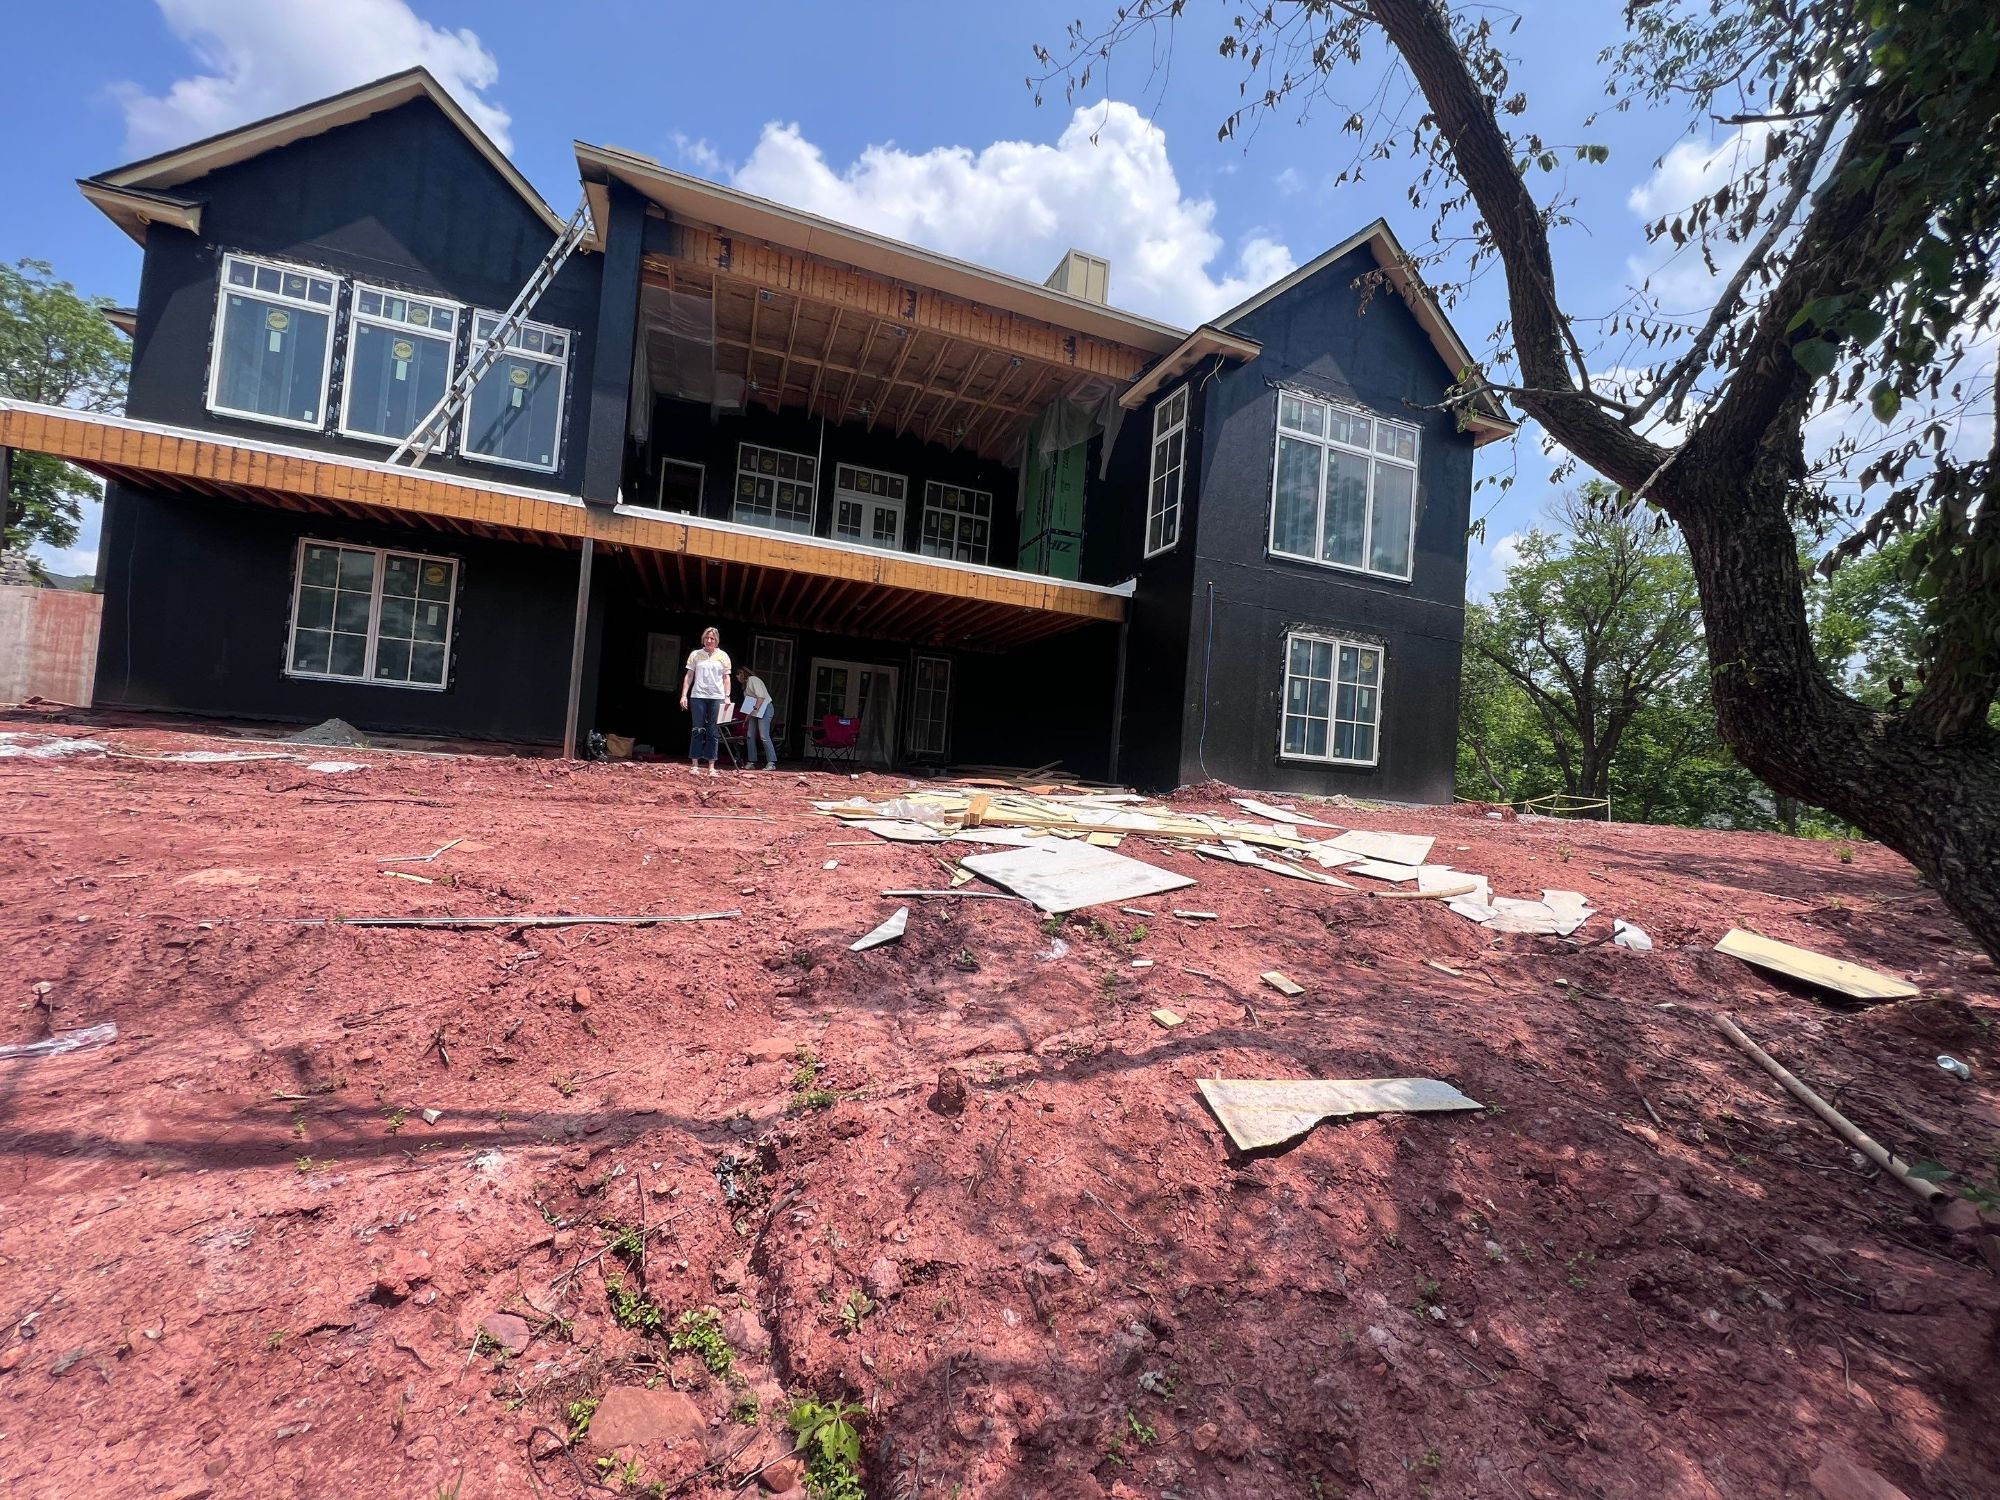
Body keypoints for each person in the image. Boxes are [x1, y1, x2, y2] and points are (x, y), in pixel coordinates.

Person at [679, 626, 730, 776]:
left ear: (716, 640)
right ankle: (695, 764)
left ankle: (711, 766)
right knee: (697, 729)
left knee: (713, 731)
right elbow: (689, 676)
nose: (709, 640)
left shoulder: (723, 656)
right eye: (707, 638)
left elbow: (726, 678)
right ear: (703, 639)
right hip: (698, 695)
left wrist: (727, 696)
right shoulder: (695, 655)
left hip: (716, 696)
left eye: (712, 638)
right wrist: (684, 695)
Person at [736, 664, 778, 770]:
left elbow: (761, 696)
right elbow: (749, 703)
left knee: (764, 735)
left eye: (738, 675)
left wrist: (754, 710)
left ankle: (771, 762)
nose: (737, 678)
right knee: (750, 735)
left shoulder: (753, 680)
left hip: (764, 707)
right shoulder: (745, 687)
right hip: (755, 710)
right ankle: (751, 761)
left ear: (742, 674)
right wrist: (748, 717)